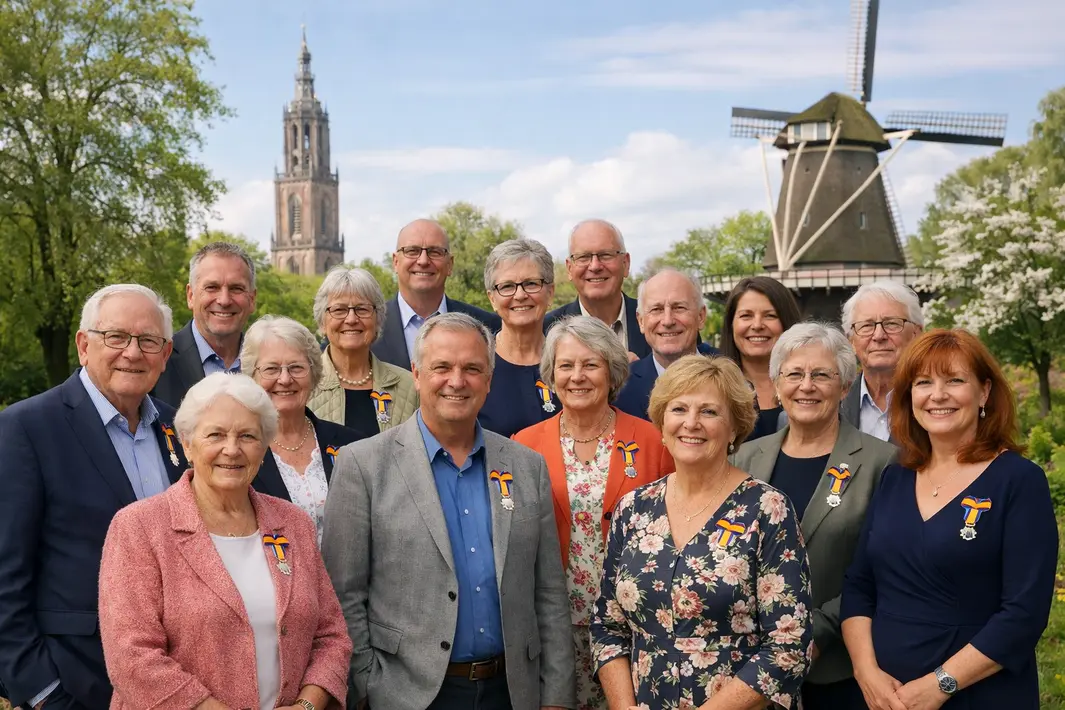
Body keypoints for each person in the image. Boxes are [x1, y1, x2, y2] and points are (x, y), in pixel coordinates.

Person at [322, 313, 576, 710]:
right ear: (417, 374)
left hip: (511, 693)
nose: (457, 381)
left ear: (489, 381)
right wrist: (368, 684)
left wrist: (556, 696)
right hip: (408, 695)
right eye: (442, 367)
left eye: (472, 368)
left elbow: (548, 593)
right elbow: (343, 594)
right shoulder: (363, 465)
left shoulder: (527, 466)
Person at [98, 373, 352, 710]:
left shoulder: (293, 524)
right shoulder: (139, 528)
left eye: (247, 435)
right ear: (187, 443)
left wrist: (307, 705)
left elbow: (331, 636)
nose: (231, 450)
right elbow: (132, 657)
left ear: (264, 447)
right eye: (215, 434)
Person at [841, 329, 1057, 710]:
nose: (937, 395)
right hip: (888, 699)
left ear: (984, 392)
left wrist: (941, 685)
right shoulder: (896, 477)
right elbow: (859, 585)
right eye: (923, 383)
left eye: (954, 380)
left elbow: (1024, 613)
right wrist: (866, 672)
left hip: (980, 695)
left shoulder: (1019, 481)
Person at [0, 284, 188, 710]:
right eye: (116, 337)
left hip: (178, 683)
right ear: (84, 345)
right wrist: (42, 692)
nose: (133, 352)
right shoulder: (26, 429)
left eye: (148, 340)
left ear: (164, 353)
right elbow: (5, 578)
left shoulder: (181, 429)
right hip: (77, 682)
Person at [592, 354, 814, 708]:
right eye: (679, 409)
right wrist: (623, 706)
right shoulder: (633, 509)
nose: (691, 423)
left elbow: (789, 644)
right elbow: (607, 627)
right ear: (662, 423)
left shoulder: (767, 509)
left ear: (734, 428)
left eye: (709, 412)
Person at [732, 322, 897, 709]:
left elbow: (884, 568)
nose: (806, 386)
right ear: (775, 384)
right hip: (749, 671)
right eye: (794, 374)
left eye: (821, 375)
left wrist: (815, 632)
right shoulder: (743, 459)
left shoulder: (883, 463)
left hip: (838, 667)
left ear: (843, 387)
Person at [512, 316, 674, 709]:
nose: (577, 376)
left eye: (591, 364)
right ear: (551, 374)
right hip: (555, 627)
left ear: (612, 371)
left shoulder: (654, 440)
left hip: (636, 627)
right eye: (566, 365)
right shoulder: (523, 445)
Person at [242, 316, 369, 543]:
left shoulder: (353, 446)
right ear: (252, 376)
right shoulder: (238, 453)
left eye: (296, 367)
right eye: (271, 369)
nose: (284, 379)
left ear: (313, 374)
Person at [372, 219, 502, 371]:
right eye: (412, 251)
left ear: (450, 264)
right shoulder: (369, 326)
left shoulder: (489, 327)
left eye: (435, 252)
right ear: (395, 262)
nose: (423, 261)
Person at [308, 266, 419, 432]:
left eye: (362, 309)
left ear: (377, 320)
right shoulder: (303, 385)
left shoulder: (410, 387)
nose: (351, 319)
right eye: (339, 310)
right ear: (323, 323)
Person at [153, 241, 258, 407]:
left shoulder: (267, 365)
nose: (224, 300)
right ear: (190, 296)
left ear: (252, 299)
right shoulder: (156, 360)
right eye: (212, 287)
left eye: (236, 288)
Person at [477, 238, 560, 438]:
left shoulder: (572, 362)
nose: (520, 295)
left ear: (550, 292)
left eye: (531, 283)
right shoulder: (476, 365)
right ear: (492, 298)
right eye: (507, 286)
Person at [614, 268, 718, 420]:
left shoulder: (731, 382)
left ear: (701, 316)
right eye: (656, 309)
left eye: (679, 308)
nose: (668, 321)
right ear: (641, 321)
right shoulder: (619, 389)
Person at [544, 219, 650, 360]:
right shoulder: (545, 331)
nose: (595, 266)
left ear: (626, 263)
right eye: (583, 257)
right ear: (569, 268)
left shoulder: (655, 320)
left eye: (606, 255)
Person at [839, 281, 924, 442]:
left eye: (892, 324)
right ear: (851, 340)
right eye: (866, 326)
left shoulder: (935, 402)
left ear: (916, 333)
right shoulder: (832, 405)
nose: (878, 336)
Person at [720, 275, 802, 440]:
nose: (757, 325)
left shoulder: (810, 386)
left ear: (787, 322)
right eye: (746, 316)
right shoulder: (714, 386)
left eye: (770, 316)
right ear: (731, 324)